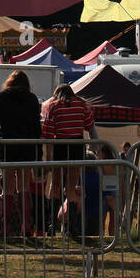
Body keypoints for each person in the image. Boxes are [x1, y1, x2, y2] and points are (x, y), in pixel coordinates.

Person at [0, 69, 42, 234]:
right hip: (27, 147)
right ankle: (25, 226)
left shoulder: (3, 97)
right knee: (24, 187)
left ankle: (4, 226)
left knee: (8, 188)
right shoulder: (32, 99)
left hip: (8, 146)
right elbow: (37, 127)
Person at [41, 83, 98, 227]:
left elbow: (47, 133)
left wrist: (48, 156)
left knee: (55, 185)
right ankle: (70, 224)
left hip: (60, 146)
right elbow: (90, 126)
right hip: (77, 147)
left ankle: (52, 223)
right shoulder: (81, 105)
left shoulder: (54, 106)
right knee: (71, 188)